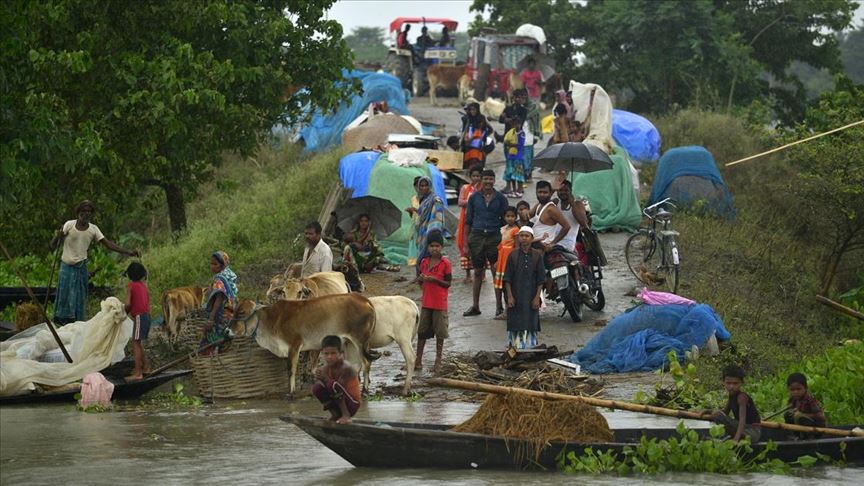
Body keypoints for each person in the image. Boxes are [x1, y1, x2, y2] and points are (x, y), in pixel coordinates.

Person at [50, 200, 139, 324]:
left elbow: (108, 244)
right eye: (84, 211)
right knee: (65, 296)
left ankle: (77, 323)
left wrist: (128, 252)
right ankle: (62, 322)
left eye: (89, 211)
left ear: (91, 214)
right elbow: (53, 245)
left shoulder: (93, 229)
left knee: (79, 298)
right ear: (78, 212)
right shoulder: (69, 225)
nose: (86, 214)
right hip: (66, 267)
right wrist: (58, 236)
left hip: (81, 267)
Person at [464, 169, 508, 316]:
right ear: (481, 180)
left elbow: (506, 220)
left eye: (491, 179)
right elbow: (468, 221)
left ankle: (499, 307)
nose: (488, 182)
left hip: (494, 237)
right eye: (486, 179)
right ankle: (475, 306)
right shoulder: (474, 198)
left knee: (497, 272)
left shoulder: (501, 198)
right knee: (477, 272)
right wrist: (466, 244)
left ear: (494, 181)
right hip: (476, 237)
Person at [414, 231, 451, 372]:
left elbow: (448, 283)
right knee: (422, 332)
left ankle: (438, 361)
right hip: (427, 303)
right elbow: (420, 281)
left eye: (437, 246)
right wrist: (421, 280)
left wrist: (434, 280)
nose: (434, 248)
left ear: (441, 247)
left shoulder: (445, 263)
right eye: (431, 246)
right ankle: (418, 360)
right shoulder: (424, 262)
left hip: (440, 303)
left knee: (440, 333)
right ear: (428, 247)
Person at [503, 226, 546, 349]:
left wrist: (537, 298)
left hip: (531, 296)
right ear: (518, 238)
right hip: (516, 295)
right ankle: (515, 348)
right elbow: (507, 278)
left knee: (531, 322)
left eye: (527, 236)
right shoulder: (513, 255)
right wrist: (510, 297)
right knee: (515, 322)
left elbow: (541, 280)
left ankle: (530, 347)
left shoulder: (537, 256)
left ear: (532, 238)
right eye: (522, 236)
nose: (524, 238)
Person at [312, 335, 361, 424]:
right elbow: (324, 386)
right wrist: (318, 377)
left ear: (341, 353)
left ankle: (346, 416)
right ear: (322, 354)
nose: (329, 357)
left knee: (332, 385)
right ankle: (335, 414)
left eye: (333, 353)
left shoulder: (346, 368)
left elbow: (338, 387)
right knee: (316, 387)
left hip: (351, 405)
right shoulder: (325, 368)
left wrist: (325, 378)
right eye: (326, 354)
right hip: (338, 403)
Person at [710, 365, 762, 443]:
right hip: (744, 430)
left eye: (735, 383)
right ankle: (735, 436)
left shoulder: (742, 397)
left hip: (752, 432)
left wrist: (736, 440)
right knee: (718, 416)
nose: (731, 386)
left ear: (741, 383)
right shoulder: (731, 396)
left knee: (718, 416)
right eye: (728, 383)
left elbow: (742, 421)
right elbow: (725, 413)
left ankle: (736, 437)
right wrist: (709, 411)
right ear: (723, 382)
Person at [406, 176, 445, 275]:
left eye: (426, 185)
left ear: (430, 186)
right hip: (421, 233)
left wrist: (432, 232)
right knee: (422, 256)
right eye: (421, 186)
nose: (424, 188)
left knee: (429, 255)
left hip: (430, 233)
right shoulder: (423, 200)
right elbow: (421, 215)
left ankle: (430, 276)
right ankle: (422, 276)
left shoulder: (435, 199)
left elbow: (438, 216)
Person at [202, 250, 238, 351]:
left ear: (222, 265)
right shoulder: (228, 275)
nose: (212, 266)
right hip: (230, 313)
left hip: (221, 315)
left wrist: (211, 319)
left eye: (215, 264)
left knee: (213, 340)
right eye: (211, 263)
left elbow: (219, 300)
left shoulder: (219, 279)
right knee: (226, 340)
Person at [124, 262, 151, 381]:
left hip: (140, 317)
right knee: (138, 343)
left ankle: (138, 373)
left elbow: (127, 304)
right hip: (147, 316)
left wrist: (124, 313)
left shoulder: (131, 286)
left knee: (135, 343)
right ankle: (146, 367)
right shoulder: (143, 286)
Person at [457, 165, 483, 282]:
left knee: (480, 246)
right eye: (474, 176)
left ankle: (481, 273)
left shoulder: (483, 189)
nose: (476, 178)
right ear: (470, 176)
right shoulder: (465, 188)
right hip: (466, 220)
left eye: (478, 176)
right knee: (465, 243)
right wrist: (472, 200)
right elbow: (460, 202)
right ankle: (468, 274)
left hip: (479, 220)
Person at [530, 181, 571, 253]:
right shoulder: (539, 204)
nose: (542, 195)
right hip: (533, 243)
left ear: (550, 193)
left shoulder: (551, 209)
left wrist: (552, 243)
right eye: (540, 192)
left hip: (543, 247)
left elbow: (567, 226)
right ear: (536, 193)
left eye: (545, 192)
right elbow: (529, 215)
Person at [493, 207, 519, 320]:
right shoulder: (503, 229)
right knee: (503, 286)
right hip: (502, 258)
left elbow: (517, 247)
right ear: (504, 217)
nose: (510, 218)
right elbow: (501, 245)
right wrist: (498, 261)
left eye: (512, 216)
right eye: (508, 216)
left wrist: (515, 261)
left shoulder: (516, 230)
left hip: (509, 258)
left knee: (509, 285)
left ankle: (510, 311)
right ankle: (507, 310)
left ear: (516, 217)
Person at [556, 180, 591, 252]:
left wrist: (572, 203)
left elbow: (583, 223)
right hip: (552, 239)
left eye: (566, 190)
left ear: (571, 191)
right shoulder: (555, 202)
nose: (563, 192)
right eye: (560, 190)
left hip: (568, 242)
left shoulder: (578, 204)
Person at [461, 102, 493, 168]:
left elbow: (481, 130)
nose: (472, 111)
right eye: (471, 110)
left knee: (476, 160)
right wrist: (466, 139)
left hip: (477, 144)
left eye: (474, 110)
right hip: (468, 144)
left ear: (477, 110)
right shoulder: (468, 119)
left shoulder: (481, 118)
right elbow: (465, 130)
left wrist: (473, 138)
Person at [503, 116, 526, 198]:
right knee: (510, 173)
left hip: (518, 157)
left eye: (518, 124)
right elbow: (506, 141)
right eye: (515, 124)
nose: (516, 126)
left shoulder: (522, 134)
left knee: (518, 173)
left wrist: (510, 144)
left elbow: (520, 144)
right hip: (510, 156)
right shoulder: (511, 133)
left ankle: (520, 189)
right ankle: (513, 189)